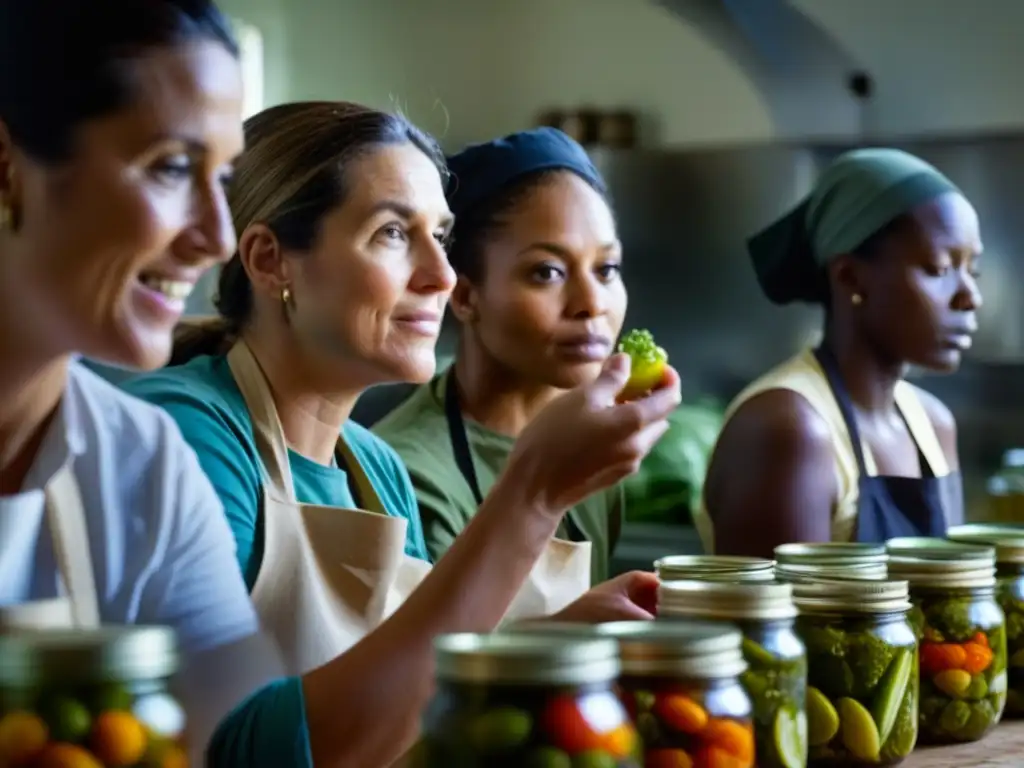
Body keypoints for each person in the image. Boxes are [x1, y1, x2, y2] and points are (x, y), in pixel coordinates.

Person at [124, 101, 681, 766]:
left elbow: (408, 720)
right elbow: (232, 748)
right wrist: (532, 494)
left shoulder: (375, 469)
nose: (442, 276)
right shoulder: (185, 434)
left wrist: (561, 637)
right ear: (271, 261)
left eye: (440, 237)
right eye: (392, 233)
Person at [0, 1, 309, 765]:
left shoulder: (141, 465)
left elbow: (247, 750)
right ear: (9, 166)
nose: (214, 237)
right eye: (172, 167)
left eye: (225, 178)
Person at [374, 128, 627, 587]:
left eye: (606, 269)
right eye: (547, 272)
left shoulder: (593, 444)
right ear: (466, 295)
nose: (592, 303)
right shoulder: (408, 477)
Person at [698, 148, 981, 557]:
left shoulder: (933, 425)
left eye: (973, 270)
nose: (970, 296)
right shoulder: (788, 428)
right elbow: (779, 619)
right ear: (849, 276)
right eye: (939, 269)